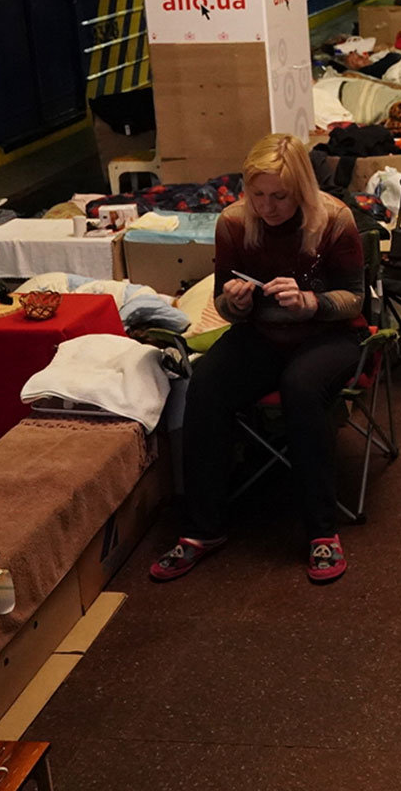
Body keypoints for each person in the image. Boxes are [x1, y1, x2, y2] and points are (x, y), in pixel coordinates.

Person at [151, 133, 367, 586]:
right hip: (263, 332)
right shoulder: (233, 222)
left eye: (280, 197)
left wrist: (312, 302)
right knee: (205, 384)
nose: (267, 207)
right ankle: (202, 528)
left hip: (329, 335)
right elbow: (223, 306)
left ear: (303, 191)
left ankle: (321, 532)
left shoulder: (333, 219)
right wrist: (236, 303)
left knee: (301, 388)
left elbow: (355, 299)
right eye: (258, 195)